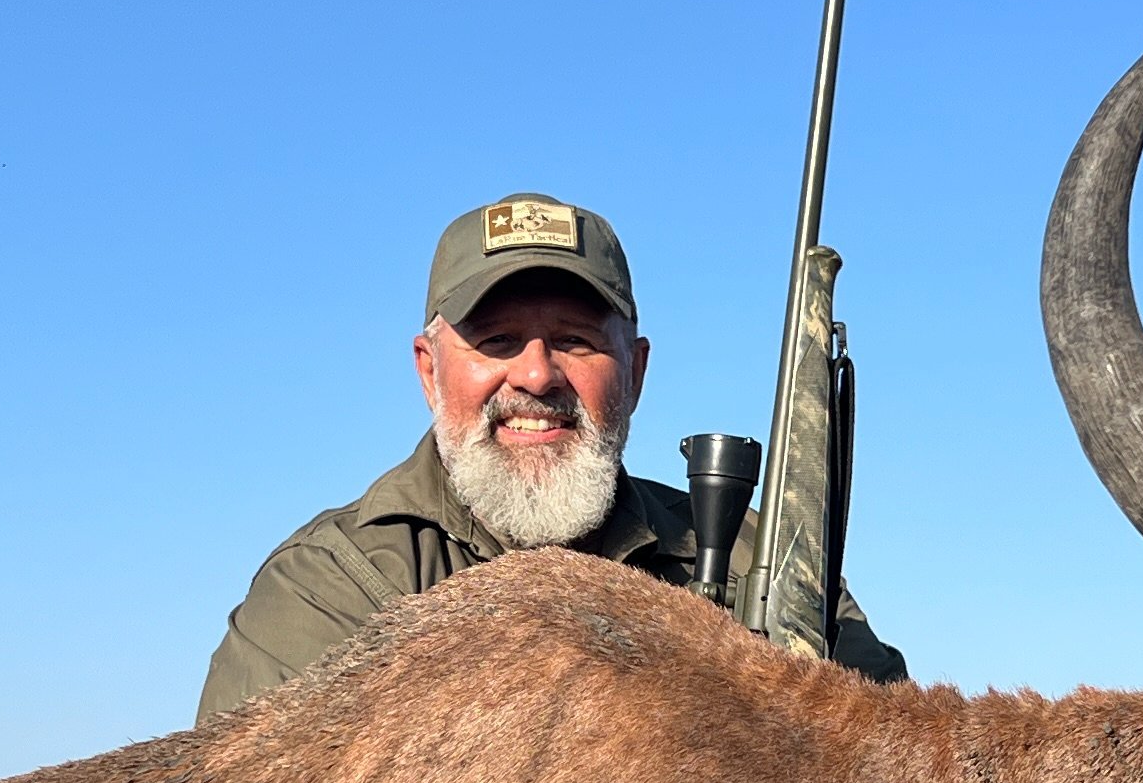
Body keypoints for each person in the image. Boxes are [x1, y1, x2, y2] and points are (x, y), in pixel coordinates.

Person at [198, 192, 904, 724]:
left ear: (636, 370)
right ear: (428, 369)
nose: (537, 375)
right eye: (497, 340)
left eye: (575, 340)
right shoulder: (332, 589)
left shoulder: (765, 563)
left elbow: (897, 779)